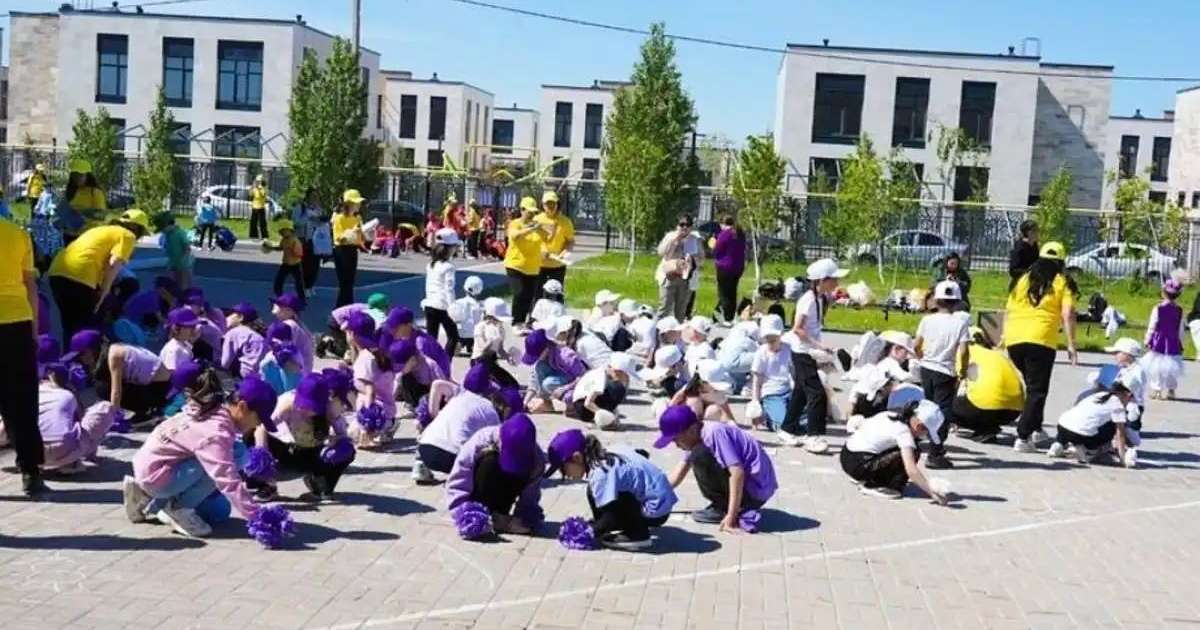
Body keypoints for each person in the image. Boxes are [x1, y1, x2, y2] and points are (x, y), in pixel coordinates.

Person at [124, 370, 278, 537]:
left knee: (220, 510)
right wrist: (257, 516)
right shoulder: (216, 432)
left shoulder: (213, 408)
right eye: (258, 419)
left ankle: (145, 496)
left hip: (150, 466)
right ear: (242, 407)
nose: (256, 426)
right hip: (157, 476)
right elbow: (227, 480)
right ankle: (179, 509)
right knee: (233, 457)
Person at [546, 429, 678, 550]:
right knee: (596, 490)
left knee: (608, 491)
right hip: (658, 499)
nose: (565, 475)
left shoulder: (600, 473)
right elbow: (642, 453)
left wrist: (589, 532)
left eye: (563, 469)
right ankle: (622, 524)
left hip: (656, 510)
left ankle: (638, 535)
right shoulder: (606, 452)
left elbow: (610, 518)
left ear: (577, 457)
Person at [656, 405, 776, 533]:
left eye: (676, 439)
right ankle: (728, 505)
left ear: (690, 430)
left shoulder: (714, 433)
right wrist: (654, 495)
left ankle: (727, 508)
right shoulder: (697, 435)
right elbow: (680, 470)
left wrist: (731, 516)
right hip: (753, 487)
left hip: (755, 490)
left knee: (699, 455)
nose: (676, 445)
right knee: (697, 454)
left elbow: (737, 473)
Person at [1005, 242, 1078, 453]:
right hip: (1041, 341)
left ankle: (1036, 427)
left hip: (1015, 340)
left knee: (1032, 386)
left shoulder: (1022, 280)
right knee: (1037, 390)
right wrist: (1071, 344)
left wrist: (1003, 337)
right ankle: (1023, 436)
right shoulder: (1061, 281)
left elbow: (1008, 310)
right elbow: (1068, 313)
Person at [48, 209, 151, 339]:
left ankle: (68, 357)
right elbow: (113, 264)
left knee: (70, 326)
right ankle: (85, 357)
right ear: (138, 229)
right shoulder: (127, 235)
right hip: (81, 276)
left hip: (57, 272)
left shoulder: (100, 229)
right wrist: (104, 292)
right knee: (87, 327)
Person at [779, 259, 847, 453]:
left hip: (807, 351)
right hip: (803, 352)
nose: (836, 282)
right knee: (817, 394)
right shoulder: (808, 300)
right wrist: (820, 346)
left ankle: (788, 428)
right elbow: (797, 329)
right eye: (833, 279)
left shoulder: (819, 297)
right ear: (822, 280)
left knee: (801, 392)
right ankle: (814, 436)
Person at [253, 373, 354, 501]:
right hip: (289, 452)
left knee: (347, 449)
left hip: (314, 454)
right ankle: (267, 486)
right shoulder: (286, 403)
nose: (305, 410)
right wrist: (262, 453)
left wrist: (335, 440)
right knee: (251, 436)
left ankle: (321, 487)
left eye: (312, 407)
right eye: (303, 405)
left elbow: (344, 436)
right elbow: (261, 426)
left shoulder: (329, 409)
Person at [0, 218, 46, 496]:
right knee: (21, 400)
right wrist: (34, 328)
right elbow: (30, 284)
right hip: (17, 321)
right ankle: (30, 471)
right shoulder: (18, 233)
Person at [445, 413, 545, 536]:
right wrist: (464, 513)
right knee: (490, 461)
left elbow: (531, 493)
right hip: (478, 494)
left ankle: (499, 517)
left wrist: (525, 518)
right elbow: (458, 479)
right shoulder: (480, 441)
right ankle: (486, 514)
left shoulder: (537, 458)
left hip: (503, 500)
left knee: (525, 470)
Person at [840, 399, 950, 503]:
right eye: (926, 432)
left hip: (847, 455)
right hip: (859, 465)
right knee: (914, 451)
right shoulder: (904, 433)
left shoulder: (890, 414)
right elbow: (911, 470)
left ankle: (862, 477)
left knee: (901, 448)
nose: (925, 436)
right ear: (919, 426)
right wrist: (931, 492)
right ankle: (876, 486)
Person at [914, 280, 971, 469]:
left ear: (936, 301)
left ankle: (917, 440)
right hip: (945, 370)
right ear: (957, 302)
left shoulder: (927, 320)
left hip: (927, 368)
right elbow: (963, 351)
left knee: (927, 406)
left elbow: (916, 345)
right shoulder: (960, 323)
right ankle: (936, 451)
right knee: (943, 411)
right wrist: (962, 371)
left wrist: (923, 357)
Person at [65, 329, 172, 427]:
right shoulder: (111, 351)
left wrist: (111, 417)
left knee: (103, 387)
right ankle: (143, 411)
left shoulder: (114, 355)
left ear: (92, 350)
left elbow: (116, 390)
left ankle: (146, 413)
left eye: (81, 355)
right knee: (101, 383)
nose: (81, 359)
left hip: (160, 389)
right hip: (151, 386)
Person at [413, 364, 502, 483]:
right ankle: (466, 480)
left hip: (425, 449)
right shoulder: (488, 408)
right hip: (452, 458)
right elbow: (499, 441)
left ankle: (420, 466)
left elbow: (438, 384)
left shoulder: (459, 394)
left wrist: (434, 414)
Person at [36, 362, 118, 474]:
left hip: (31, 455)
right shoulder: (67, 395)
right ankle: (70, 463)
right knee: (105, 407)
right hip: (63, 451)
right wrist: (90, 450)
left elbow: (4, 431)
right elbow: (80, 422)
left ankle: (30, 466)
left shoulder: (26, 393)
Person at [950, 329, 1025, 443]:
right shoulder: (997, 354)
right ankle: (989, 426)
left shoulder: (964, 352)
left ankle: (984, 428)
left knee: (944, 397)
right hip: (1013, 411)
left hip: (983, 407)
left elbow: (955, 379)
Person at [1047, 380, 1137, 467]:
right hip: (1081, 435)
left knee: (1077, 421)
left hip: (1062, 426)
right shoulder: (1118, 405)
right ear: (1127, 395)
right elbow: (1120, 435)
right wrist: (1122, 458)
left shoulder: (1100, 395)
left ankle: (1058, 444)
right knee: (1113, 426)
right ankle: (1089, 451)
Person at [522, 328, 587, 413]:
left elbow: (583, 377)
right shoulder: (543, 360)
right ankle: (546, 403)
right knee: (539, 367)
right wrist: (525, 401)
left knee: (548, 384)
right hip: (560, 377)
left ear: (546, 349)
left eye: (538, 355)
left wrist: (564, 389)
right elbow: (534, 382)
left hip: (574, 383)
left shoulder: (565, 356)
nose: (537, 359)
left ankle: (571, 407)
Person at [1141, 279, 1186, 400]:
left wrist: (1147, 340)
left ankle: (1157, 390)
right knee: (1172, 367)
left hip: (1159, 341)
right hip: (1173, 341)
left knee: (1156, 367)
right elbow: (1180, 329)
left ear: (1163, 293)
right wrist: (1181, 342)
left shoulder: (1158, 308)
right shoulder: (1180, 310)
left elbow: (1152, 325)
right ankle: (1171, 390)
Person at [569, 352, 639, 428]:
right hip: (583, 408)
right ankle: (599, 421)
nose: (627, 379)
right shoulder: (600, 377)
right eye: (626, 375)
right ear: (618, 372)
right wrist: (606, 416)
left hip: (586, 404)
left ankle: (603, 419)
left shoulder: (604, 373)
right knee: (618, 389)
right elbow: (588, 403)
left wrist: (614, 416)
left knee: (618, 389)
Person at [503, 197, 543, 329]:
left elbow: (546, 239)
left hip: (532, 267)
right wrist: (530, 229)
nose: (531, 214)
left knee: (528, 296)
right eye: (529, 211)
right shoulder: (515, 223)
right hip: (515, 265)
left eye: (533, 212)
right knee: (519, 292)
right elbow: (514, 235)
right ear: (522, 210)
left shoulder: (536, 225)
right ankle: (516, 321)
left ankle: (523, 321)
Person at [422, 228, 462, 357]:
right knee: (453, 337)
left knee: (431, 338)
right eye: (455, 246)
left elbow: (429, 285)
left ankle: (428, 365)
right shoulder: (449, 267)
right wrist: (453, 308)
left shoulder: (431, 265)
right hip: (443, 306)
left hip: (429, 304)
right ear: (450, 248)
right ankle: (445, 364)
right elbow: (449, 289)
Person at [750, 315, 792, 432]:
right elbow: (757, 381)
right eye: (767, 339)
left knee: (805, 418)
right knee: (783, 424)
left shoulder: (789, 349)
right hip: (771, 393)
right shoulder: (761, 353)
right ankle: (767, 419)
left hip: (789, 390)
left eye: (774, 339)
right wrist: (755, 402)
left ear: (781, 334)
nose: (770, 342)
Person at [655, 215, 701, 322]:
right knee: (664, 307)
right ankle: (657, 331)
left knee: (681, 310)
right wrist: (676, 239)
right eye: (682, 224)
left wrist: (693, 260)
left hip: (685, 278)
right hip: (669, 276)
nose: (685, 227)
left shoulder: (694, 239)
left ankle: (677, 333)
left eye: (688, 225)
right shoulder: (670, 236)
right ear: (677, 226)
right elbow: (661, 252)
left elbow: (701, 257)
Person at [472, 297, 520, 389]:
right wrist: (490, 340)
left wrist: (508, 357)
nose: (501, 321)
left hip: (492, 362)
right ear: (491, 316)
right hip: (479, 361)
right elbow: (482, 349)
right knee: (492, 388)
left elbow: (500, 350)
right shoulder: (480, 327)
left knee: (513, 385)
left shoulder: (500, 329)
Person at [331, 189, 368, 307]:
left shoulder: (358, 218)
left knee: (350, 283)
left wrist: (365, 234)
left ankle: (348, 308)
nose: (359, 205)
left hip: (352, 251)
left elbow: (361, 239)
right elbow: (338, 239)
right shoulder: (339, 218)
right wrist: (351, 232)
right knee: (344, 283)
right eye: (356, 202)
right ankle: (339, 310)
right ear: (348, 203)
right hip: (341, 251)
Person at [535, 190, 575, 294]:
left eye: (553, 203)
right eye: (547, 204)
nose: (550, 206)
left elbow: (570, 242)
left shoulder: (565, 222)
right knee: (537, 295)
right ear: (542, 205)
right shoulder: (536, 220)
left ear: (557, 204)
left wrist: (565, 253)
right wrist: (541, 251)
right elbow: (531, 241)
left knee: (556, 296)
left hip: (557, 266)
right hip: (538, 265)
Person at [712, 215, 747, 324]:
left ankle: (726, 316)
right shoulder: (740, 233)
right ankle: (726, 314)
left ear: (722, 224)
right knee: (732, 291)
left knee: (723, 293)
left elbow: (717, 249)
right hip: (738, 267)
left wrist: (713, 243)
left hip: (724, 266)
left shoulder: (724, 234)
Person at [62, 160, 108, 242]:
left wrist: (81, 211)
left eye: (80, 175)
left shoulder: (95, 192)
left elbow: (101, 215)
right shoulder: (71, 191)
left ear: (88, 176)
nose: (77, 178)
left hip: (88, 236)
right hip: (69, 234)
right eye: (75, 175)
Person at [220, 302, 267, 380]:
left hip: (249, 376)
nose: (226, 318)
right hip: (264, 375)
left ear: (240, 317)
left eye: (229, 315)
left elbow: (225, 363)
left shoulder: (233, 333)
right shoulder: (255, 334)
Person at [291, 187, 327, 289]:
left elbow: (321, 224)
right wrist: (308, 218)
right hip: (303, 240)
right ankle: (302, 287)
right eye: (313, 196)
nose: (315, 199)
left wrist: (322, 220)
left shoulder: (318, 209)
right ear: (307, 197)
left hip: (316, 241)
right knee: (304, 266)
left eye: (316, 197)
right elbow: (296, 223)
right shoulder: (300, 207)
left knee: (314, 265)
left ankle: (310, 285)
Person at [264, 219, 306, 305]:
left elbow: (300, 254)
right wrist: (271, 248)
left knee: (299, 283)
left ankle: (302, 300)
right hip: (285, 264)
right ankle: (280, 297)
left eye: (283, 231)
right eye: (281, 231)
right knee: (278, 282)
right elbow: (281, 248)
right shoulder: (284, 239)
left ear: (289, 230)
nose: (282, 233)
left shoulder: (295, 240)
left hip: (295, 265)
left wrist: (294, 251)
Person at [270, 293, 314, 374]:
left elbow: (281, 353)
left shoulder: (287, 325)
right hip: (304, 370)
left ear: (289, 310)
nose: (275, 307)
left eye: (279, 305)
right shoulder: (299, 324)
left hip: (295, 373)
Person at [156, 213, 194, 291]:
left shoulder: (180, 233)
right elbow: (166, 245)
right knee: (171, 282)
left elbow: (187, 247)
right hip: (172, 262)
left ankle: (185, 296)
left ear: (169, 225)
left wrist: (184, 259)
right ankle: (174, 295)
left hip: (184, 263)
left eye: (163, 228)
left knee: (184, 283)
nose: (162, 231)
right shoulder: (167, 234)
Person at [249, 174, 270, 241]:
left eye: (260, 181)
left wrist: (260, 188)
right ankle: (254, 236)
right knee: (253, 222)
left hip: (261, 207)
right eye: (257, 181)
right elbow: (250, 195)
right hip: (255, 207)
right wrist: (252, 187)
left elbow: (264, 195)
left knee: (262, 223)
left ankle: (264, 236)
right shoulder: (254, 188)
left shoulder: (264, 188)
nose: (258, 182)